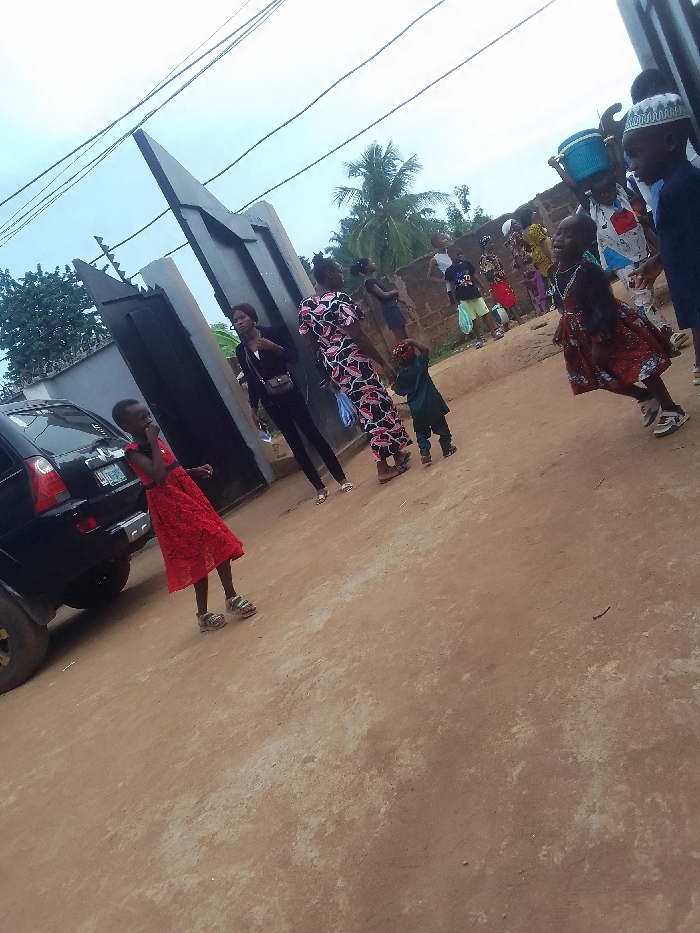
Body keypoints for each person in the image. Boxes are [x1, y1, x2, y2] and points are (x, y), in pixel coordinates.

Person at [112, 399, 257, 633]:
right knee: (200, 551)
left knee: (213, 542)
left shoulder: (156, 442)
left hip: (187, 496)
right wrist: (152, 440)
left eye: (147, 414)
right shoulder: (133, 452)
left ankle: (227, 600)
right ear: (126, 426)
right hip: (170, 507)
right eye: (141, 418)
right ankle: (210, 609)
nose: (148, 420)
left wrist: (192, 471)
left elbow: (170, 471)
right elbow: (158, 477)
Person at [551, 214, 687, 438]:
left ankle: (672, 409)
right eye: (558, 232)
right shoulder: (558, 271)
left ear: (584, 245)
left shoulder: (588, 271)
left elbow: (601, 306)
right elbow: (568, 303)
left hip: (608, 329)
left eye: (568, 235)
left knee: (639, 366)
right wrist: (562, 326)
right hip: (581, 334)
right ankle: (644, 397)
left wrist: (599, 341)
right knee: (597, 376)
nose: (559, 238)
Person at [547, 153, 688, 349]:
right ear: (592, 193)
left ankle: (652, 336)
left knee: (649, 294)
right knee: (642, 297)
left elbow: (620, 167)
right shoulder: (594, 208)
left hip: (642, 252)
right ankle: (666, 335)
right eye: (601, 192)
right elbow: (574, 187)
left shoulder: (621, 194)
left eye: (610, 189)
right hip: (620, 260)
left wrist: (611, 145)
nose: (607, 194)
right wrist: (558, 166)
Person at [299, 254, 412, 484]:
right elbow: (358, 336)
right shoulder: (339, 300)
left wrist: (326, 372)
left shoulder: (306, 306)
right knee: (372, 410)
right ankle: (382, 468)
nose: (342, 276)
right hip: (354, 362)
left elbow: (312, 345)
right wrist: (383, 362)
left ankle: (397, 453)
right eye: (339, 272)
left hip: (335, 366)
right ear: (329, 274)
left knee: (378, 404)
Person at [229, 303, 353, 505]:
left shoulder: (271, 333)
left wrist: (272, 347)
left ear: (252, 317)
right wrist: (253, 409)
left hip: (290, 392)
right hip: (270, 401)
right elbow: (251, 381)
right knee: (295, 444)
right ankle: (319, 488)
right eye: (235, 321)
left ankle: (341, 479)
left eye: (242, 317)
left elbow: (293, 357)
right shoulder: (241, 350)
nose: (239, 323)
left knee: (313, 435)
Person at [623, 93, 700, 387]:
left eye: (636, 153)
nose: (632, 166)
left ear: (669, 142)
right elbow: (682, 239)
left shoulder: (680, 188)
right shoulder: (675, 185)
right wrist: (657, 262)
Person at [391, 339, 456, 465]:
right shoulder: (420, 363)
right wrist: (412, 341)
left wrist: (394, 385)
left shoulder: (402, 376)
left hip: (417, 409)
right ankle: (446, 448)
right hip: (432, 402)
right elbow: (425, 349)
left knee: (421, 431)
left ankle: (424, 451)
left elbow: (399, 391)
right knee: (441, 426)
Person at [444, 246, 503, 348]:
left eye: (461, 254)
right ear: (450, 256)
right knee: (472, 319)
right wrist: (455, 300)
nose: (460, 256)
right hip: (463, 298)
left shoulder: (466, 264)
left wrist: (482, 287)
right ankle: (479, 339)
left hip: (474, 293)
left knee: (484, 314)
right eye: (458, 254)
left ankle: (493, 333)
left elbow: (474, 276)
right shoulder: (449, 271)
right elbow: (452, 286)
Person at [349, 257, 408, 344]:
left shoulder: (375, 280)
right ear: (366, 267)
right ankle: (404, 353)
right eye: (371, 262)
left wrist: (402, 301)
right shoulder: (369, 283)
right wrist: (394, 291)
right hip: (389, 309)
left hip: (393, 306)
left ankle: (411, 352)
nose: (374, 263)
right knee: (399, 338)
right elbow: (383, 295)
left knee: (405, 336)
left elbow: (388, 295)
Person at [502, 219, 549, 315]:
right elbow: (516, 256)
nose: (518, 224)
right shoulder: (514, 237)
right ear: (511, 228)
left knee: (537, 286)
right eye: (514, 223)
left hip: (530, 263)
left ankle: (541, 308)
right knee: (535, 286)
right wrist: (525, 270)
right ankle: (542, 308)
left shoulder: (519, 235)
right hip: (527, 265)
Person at [478, 235, 524, 326]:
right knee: (508, 302)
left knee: (504, 304)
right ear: (485, 245)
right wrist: (489, 289)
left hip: (502, 281)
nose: (492, 244)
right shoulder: (484, 259)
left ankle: (506, 327)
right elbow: (484, 275)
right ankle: (520, 321)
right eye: (490, 243)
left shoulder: (492, 255)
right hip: (496, 284)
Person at [520, 206, 554, 305]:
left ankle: (553, 298)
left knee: (547, 276)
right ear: (530, 216)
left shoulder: (525, 232)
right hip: (544, 253)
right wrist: (551, 256)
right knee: (553, 274)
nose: (534, 214)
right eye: (533, 213)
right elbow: (542, 244)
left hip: (537, 255)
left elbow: (528, 247)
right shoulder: (533, 227)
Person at [427, 233, 456, 304]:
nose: (446, 240)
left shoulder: (452, 251)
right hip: (452, 288)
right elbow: (429, 276)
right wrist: (442, 280)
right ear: (437, 244)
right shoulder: (435, 259)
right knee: (461, 308)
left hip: (464, 282)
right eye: (443, 239)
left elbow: (462, 261)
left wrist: (451, 248)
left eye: (446, 238)